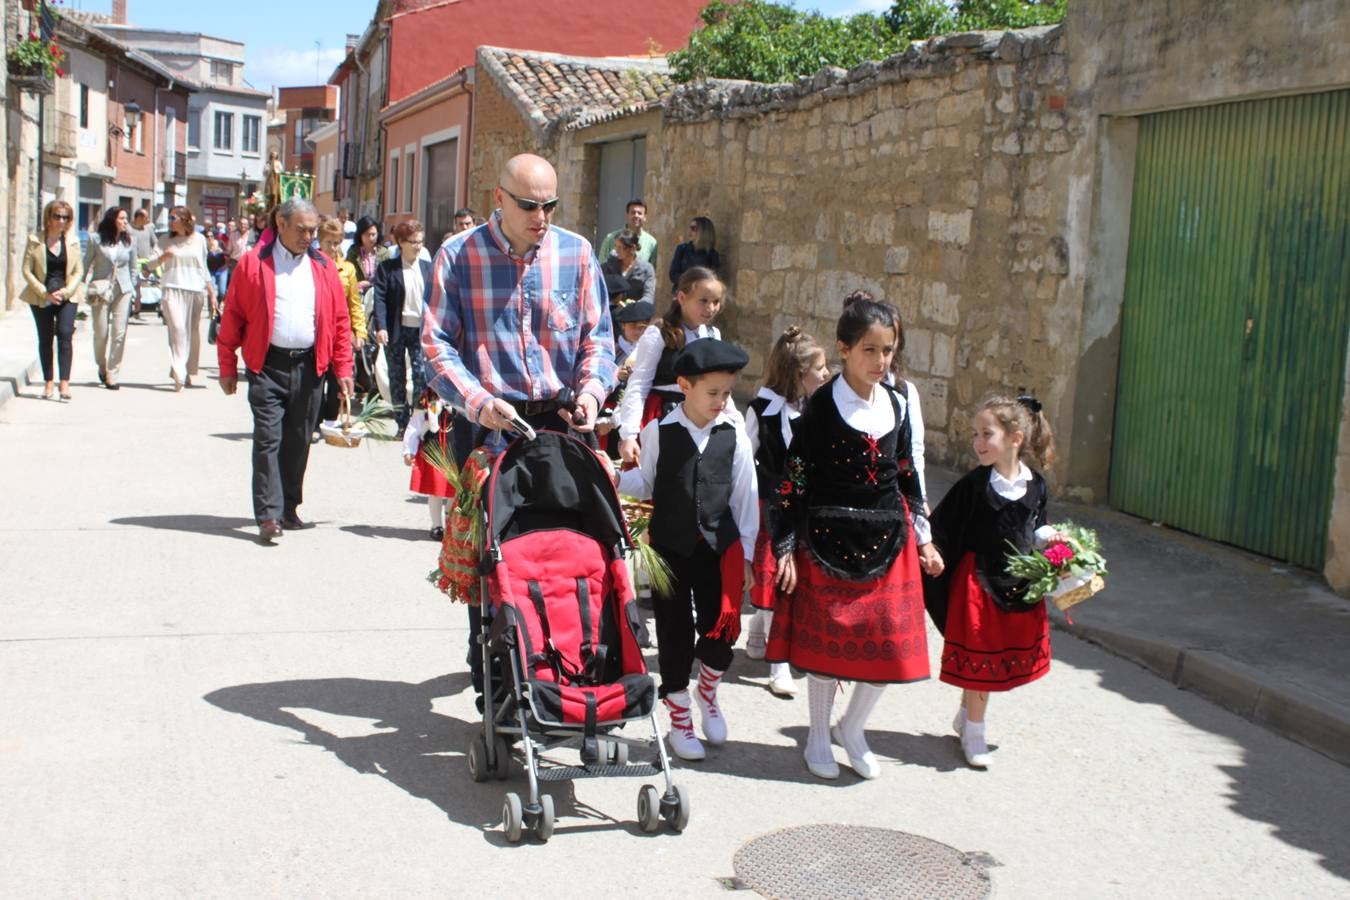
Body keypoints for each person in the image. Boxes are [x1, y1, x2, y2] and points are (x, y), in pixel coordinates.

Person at [423, 152, 615, 710]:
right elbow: (436, 346)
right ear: (499, 198)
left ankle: (571, 661)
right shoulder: (458, 255)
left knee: (571, 547)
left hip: (560, 418)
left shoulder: (577, 254)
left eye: (550, 204)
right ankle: (493, 670)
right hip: (488, 422)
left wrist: (591, 390)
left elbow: (597, 339)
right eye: (529, 204)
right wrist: (479, 404)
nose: (542, 216)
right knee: (493, 554)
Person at [766, 297, 944, 781]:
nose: (881, 361)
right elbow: (795, 478)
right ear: (844, 349)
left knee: (889, 644)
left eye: (888, 350)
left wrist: (924, 537)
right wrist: (785, 546)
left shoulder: (899, 405)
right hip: (827, 539)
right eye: (870, 350)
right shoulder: (820, 408)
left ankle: (854, 727)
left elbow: (908, 474)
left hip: (889, 538)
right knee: (829, 649)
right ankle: (818, 735)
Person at [617, 339, 758, 761]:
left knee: (721, 630)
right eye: (712, 393)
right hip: (670, 550)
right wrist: (613, 478)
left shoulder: (734, 436)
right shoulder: (659, 431)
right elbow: (646, 483)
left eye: (727, 393)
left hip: (719, 550)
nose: (721, 401)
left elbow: (745, 500)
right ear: (684, 386)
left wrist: (748, 555)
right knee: (674, 635)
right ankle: (678, 713)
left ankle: (708, 692)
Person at [924, 394, 1058, 769]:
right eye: (974, 435)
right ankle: (976, 732)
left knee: (996, 656)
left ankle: (967, 716)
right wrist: (931, 553)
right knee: (980, 657)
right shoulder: (974, 485)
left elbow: (1038, 526)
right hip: (977, 583)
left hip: (1015, 584)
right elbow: (942, 525)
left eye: (987, 434)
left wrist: (1057, 545)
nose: (978, 443)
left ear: (1015, 438)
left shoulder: (1036, 484)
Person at [216, 197, 354, 544]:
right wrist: (227, 366)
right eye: (302, 230)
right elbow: (233, 315)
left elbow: (339, 322)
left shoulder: (323, 267)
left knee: (297, 441)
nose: (309, 237)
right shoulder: (252, 265)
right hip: (268, 366)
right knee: (268, 440)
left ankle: (289, 507)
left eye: (312, 230)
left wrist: (344, 369)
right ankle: (268, 515)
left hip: (309, 367)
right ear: (280, 224)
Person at [743, 325, 830, 697]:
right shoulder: (761, 410)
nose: (827, 375)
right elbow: (744, 461)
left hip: (806, 508)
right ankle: (778, 664)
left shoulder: (822, 410)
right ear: (799, 373)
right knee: (776, 580)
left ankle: (760, 632)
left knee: (798, 583)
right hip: (771, 507)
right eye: (821, 368)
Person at [616, 266, 724, 465]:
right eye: (703, 301)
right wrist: (629, 433)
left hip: (702, 417)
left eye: (716, 302)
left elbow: (719, 385)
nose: (710, 308)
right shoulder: (659, 333)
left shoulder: (713, 335)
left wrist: (732, 418)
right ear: (682, 298)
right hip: (664, 416)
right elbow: (639, 383)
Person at [19, 200, 84, 401]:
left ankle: (64, 383)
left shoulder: (72, 242)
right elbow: (26, 270)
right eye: (57, 216)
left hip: (67, 296)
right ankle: (49, 381)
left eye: (66, 217)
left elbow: (78, 270)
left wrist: (66, 291)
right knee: (46, 338)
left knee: (65, 334)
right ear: (49, 217)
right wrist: (44, 293)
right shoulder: (35, 240)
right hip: (42, 297)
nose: (61, 221)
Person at [372, 219, 432, 431]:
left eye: (420, 241)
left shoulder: (428, 268)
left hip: (420, 331)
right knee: (396, 377)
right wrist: (381, 327)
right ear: (401, 242)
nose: (418, 246)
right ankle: (401, 422)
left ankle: (417, 421)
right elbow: (379, 298)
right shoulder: (388, 269)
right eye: (413, 241)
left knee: (421, 375)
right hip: (396, 330)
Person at [314, 219, 368, 435]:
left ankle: (329, 420)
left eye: (337, 242)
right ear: (319, 241)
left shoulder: (347, 269)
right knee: (316, 380)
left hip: (339, 332)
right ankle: (314, 421)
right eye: (329, 242)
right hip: (317, 332)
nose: (334, 247)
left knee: (337, 379)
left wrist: (359, 331)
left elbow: (354, 303)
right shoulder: (311, 264)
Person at [154, 206, 216, 391]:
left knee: (191, 332)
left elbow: (203, 267)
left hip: (195, 290)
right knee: (178, 329)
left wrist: (212, 293)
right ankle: (179, 372)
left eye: (173, 217)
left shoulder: (199, 239)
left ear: (184, 220)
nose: (170, 221)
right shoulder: (164, 240)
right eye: (169, 218)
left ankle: (186, 370)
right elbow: (149, 264)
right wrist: (164, 257)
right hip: (172, 289)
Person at [82, 207, 137, 391]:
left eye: (126, 218)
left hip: (123, 289)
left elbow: (133, 268)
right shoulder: (95, 240)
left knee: (119, 333)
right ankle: (102, 365)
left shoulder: (130, 241)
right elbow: (85, 265)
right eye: (122, 218)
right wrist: (78, 289)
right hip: (100, 290)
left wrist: (133, 288)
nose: (125, 222)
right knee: (101, 333)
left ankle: (113, 373)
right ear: (112, 219)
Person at [598, 299, 654, 457]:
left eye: (642, 327)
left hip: (640, 412)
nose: (638, 332)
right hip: (609, 412)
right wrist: (616, 376)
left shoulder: (650, 350)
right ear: (623, 326)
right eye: (633, 327)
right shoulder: (611, 350)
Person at [403, 387, 456, 540]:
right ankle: (437, 525)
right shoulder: (428, 399)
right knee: (436, 489)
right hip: (434, 448)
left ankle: (450, 521)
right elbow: (415, 424)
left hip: (455, 448)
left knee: (455, 490)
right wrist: (409, 450)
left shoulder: (461, 397)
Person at [600, 229, 656, 306]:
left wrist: (634, 305)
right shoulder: (608, 266)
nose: (616, 250)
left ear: (632, 248)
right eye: (616, 246)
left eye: (620, 247)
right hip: (611, 313)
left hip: (636, 314)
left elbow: (648, 296)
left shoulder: (646, 269)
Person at [598, 198, 657, 266]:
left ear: (645, 217)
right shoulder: (611, 238)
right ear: (627, 215)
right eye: (633, 212)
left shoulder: (651, 243)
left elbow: (651, 271)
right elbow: (600, 268)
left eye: (640, 213)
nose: (636, 215)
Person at [668, 216, 720, 290]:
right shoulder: (682, 249)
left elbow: (712, 278)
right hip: (682, 294)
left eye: (693, 228)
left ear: (704, 232)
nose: (689, 231)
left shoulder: (712, 255)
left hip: (701, 295)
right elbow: (673, 274)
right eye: (689, 228)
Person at [127, 207, 156, 319]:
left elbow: (155, 244)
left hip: (145, 263)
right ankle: (129, 310)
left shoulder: (148, 229)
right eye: (146, 217)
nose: (148, 219)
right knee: (132, 287)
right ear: (139, 217)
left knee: (141, 287)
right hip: (132, 263)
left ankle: (137, 310)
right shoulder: (128, 229)